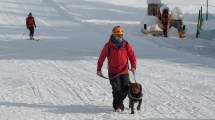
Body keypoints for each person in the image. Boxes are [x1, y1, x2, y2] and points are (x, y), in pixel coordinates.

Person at [97, 26, 136, 112]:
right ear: (114, 35)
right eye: (118, 35)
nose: (120, 37)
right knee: (117, 89)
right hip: (113, 72)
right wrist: (99, 69)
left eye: (121, 35)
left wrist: (133, 66)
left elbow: (132, 56)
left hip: (124, 71)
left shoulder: (126, 44)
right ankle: (119, 106)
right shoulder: (108, 46)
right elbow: (101, 58)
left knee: (126, 89)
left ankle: (116, 102)